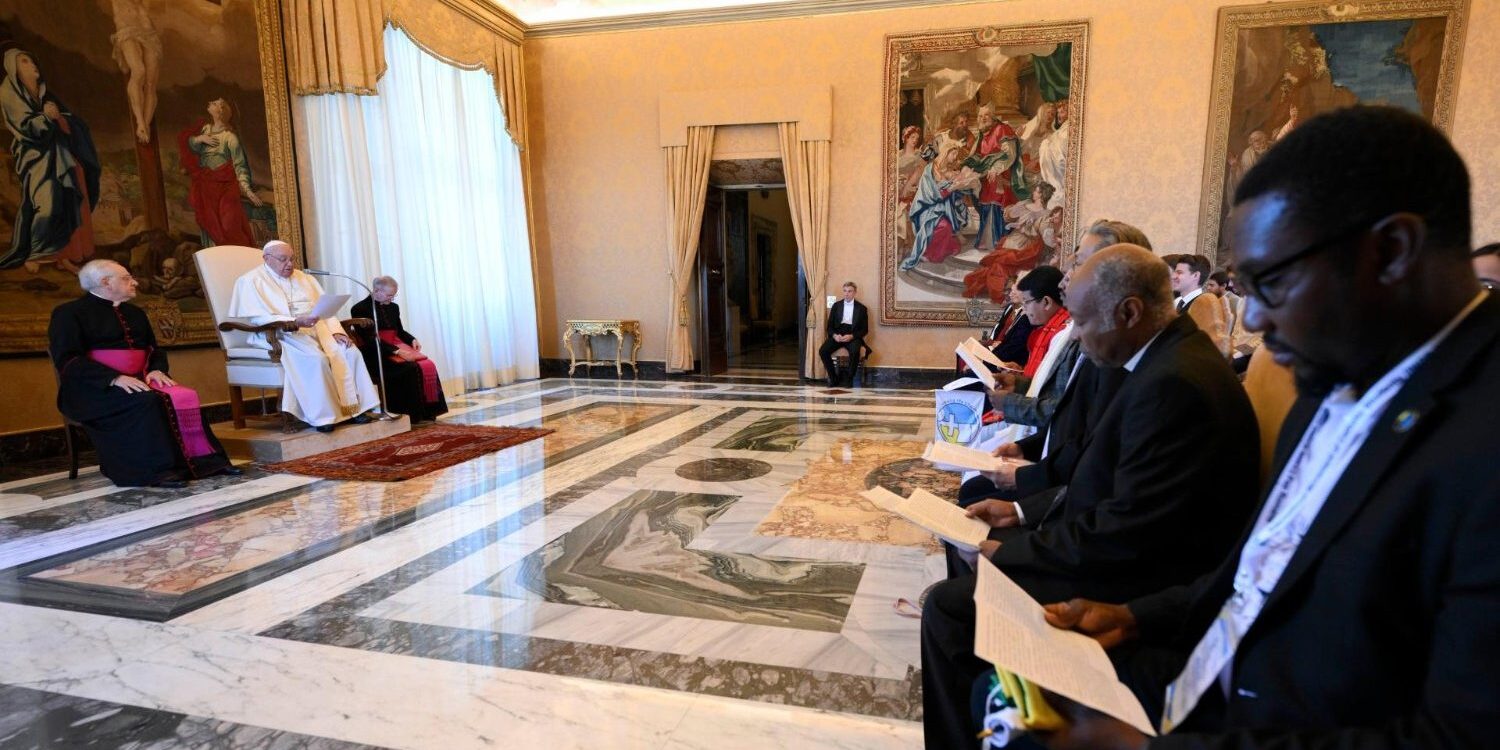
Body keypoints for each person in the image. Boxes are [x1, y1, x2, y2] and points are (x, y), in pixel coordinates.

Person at [1031, 105, 1499, 750]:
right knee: (1005, 690)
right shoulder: (1333, 378)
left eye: (1270, 283)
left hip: (1273, 722)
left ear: (1392, 251)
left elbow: (1459, 735)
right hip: (1203, 675)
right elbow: (1262, 573)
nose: (1251, 322)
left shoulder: (1481, 433)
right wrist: (1133, 617)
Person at [921, 244, 1260, 750]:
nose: (1076, 334)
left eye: (1081, 321)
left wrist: (1006, 552)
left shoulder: (1174, 383)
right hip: (1116, 547)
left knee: (948, 608)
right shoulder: (1159, 361)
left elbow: (1127, 530)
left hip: (1138, 582)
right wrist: (1019, 518)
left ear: (1129, 312)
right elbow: (1096, 476)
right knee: (967, 555)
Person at [48, 260, 238, 487]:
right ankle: (156, 471)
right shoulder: (69, 313)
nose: (135, 282)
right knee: (145, 401)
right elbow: (68, 359)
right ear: (105, 282)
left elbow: (154, 349)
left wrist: (157, 368)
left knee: (184, 395)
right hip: (93, 388)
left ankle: (208, 463)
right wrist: (114, 378)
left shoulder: (136, 313)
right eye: (126, 278)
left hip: (140, 379)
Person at [228, 240, 381, 432]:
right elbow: (258, 317)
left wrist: (335, 331)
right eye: (283, 259)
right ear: (267, 258)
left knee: (350, 352)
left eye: (292, 259)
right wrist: (294, 321)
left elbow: (325, 308)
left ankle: (356, 410)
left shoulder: (304, 278)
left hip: (317, 329)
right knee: (316, 359)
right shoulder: (250, 280)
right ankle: (324, 417)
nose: (289, 264)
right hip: (279, 333)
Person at [0, 49, 99, 273]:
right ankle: (36, 253)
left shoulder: (44, 93)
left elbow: (66, 117)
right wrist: (46, 117)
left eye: (32, 60)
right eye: (24, 61)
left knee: (69, 201)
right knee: (47, 203)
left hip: (60, 153)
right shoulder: (9, 90)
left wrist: (60, 118)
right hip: (35, 156)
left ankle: (64, 254)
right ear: (13, 68)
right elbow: (23, 125)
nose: (32, 64)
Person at [351, 276, 448, 422]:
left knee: (427, 364)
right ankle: (411, 415)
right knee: (410, 367)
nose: (391, 299)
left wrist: (412, 339)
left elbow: (399, 331)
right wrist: (397, 351)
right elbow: (369, 339)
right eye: (389, 295)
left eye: (394, 295)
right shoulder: (360, 308)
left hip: (394, 346)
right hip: (376, 353)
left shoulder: (394, 307)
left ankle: (428, 412)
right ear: (376, 291)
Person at [177, 97, 263, 247]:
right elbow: (192, 146)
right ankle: (216, 257)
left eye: (214, 103)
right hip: (206, 187)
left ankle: (235, 255)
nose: (210, 103)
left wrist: (247, 190)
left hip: (225, 187)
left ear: (220, 111)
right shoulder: (206, 129)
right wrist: (199, 139)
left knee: (229, 225)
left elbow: (240, 166)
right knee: (209, 224)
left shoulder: (230, 137)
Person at [903, 142, 979, 270]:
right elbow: (931, 193)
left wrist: (962, 185)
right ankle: (929, 254)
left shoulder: (947, 170)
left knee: (948, 222)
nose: (954, 157)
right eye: (953, 154)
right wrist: (952, 187)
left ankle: (937, 251)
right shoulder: (930, 169)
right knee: (943, 226)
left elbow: (950, 191)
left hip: (941, 207)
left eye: (956, 155)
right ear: (945, 153)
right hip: (927, 207)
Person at [968, 104, 1026, 251]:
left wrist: (996, 168)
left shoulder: (1002, 129)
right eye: (980, 116)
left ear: (993, 117)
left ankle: (998, 241)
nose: (982, 118)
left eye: (986, 115)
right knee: (985, 202)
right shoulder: (982, 134)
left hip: (1001, 174)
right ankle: (986, 240)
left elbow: (1010, 154)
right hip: (986, 177)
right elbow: (977, 156)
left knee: (996, 202)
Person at [1171, 254, 1231, 357]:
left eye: (1179, 272)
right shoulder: (1178, 302)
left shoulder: (1204, 306)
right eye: (1174, 272)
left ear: (1195, 276)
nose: (1173, 276)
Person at [818, 281, 868, 387]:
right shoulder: (836, 306)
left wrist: (852, 336)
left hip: (852, 335)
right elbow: (829, 326)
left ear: (855, 292)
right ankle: (833, 378)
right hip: (838, 334)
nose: (846, 293)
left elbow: (864, 330)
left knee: (855, 351)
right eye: (845, 291)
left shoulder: (862, 308)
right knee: (823, 351)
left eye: (850, 291)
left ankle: (849, 379)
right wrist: (835, 336)